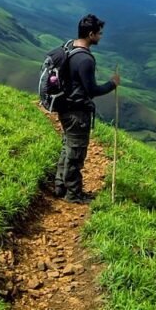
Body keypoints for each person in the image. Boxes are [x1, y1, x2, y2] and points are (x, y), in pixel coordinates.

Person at [54, 13, 121, 203]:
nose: (100, 36)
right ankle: (73, 194)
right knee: (76, 153)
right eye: (99, 33)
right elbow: (91, 90)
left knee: (68, 148)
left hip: (65, 107)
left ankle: (60, 185)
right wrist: (112, 84)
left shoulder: (70, 48)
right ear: (91, 34)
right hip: (76, 111)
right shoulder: (86, 60)